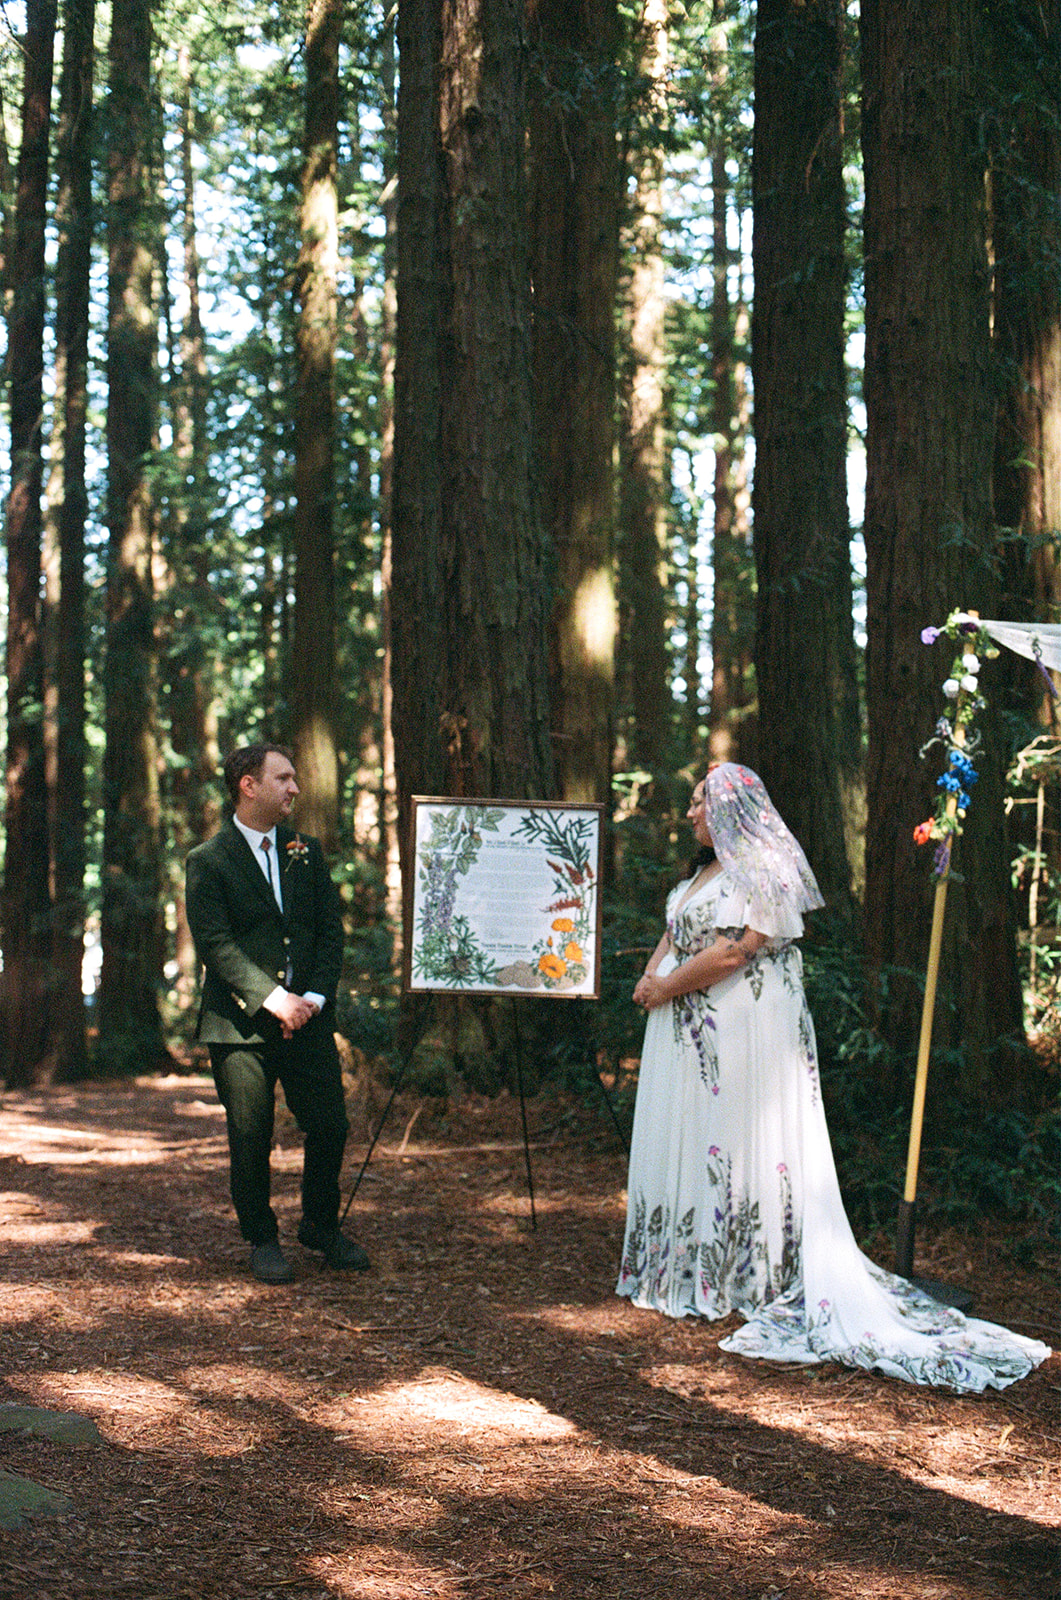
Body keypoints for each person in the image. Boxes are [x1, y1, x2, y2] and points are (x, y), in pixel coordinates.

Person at [617, 762, 1050, 1392]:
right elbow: (675, 931)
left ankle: (745, 1271)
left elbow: (738, 949)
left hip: (739, 1024)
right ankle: (686, 1264)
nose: (689, 813)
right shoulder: (703, 872)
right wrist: (651, 978)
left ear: (732, 810)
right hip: (686, 1022)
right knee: (694, 1134)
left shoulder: (761, 873)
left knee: (732, 1139)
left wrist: (665, 989)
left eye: (698, 803)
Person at [186, 742, 369, 1284]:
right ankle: (262, 1238)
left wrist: (311, 998)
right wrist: (273, 999)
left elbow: (329, 931)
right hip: (239, 1026)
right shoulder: (208, 861)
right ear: (249, 784)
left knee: (331, 1125)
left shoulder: (305, 852)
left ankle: (318, 1225)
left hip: (307, 1019)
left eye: (294, 778)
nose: (295, 788)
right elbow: (216, 944)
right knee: (250, 1134)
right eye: (283, 778)